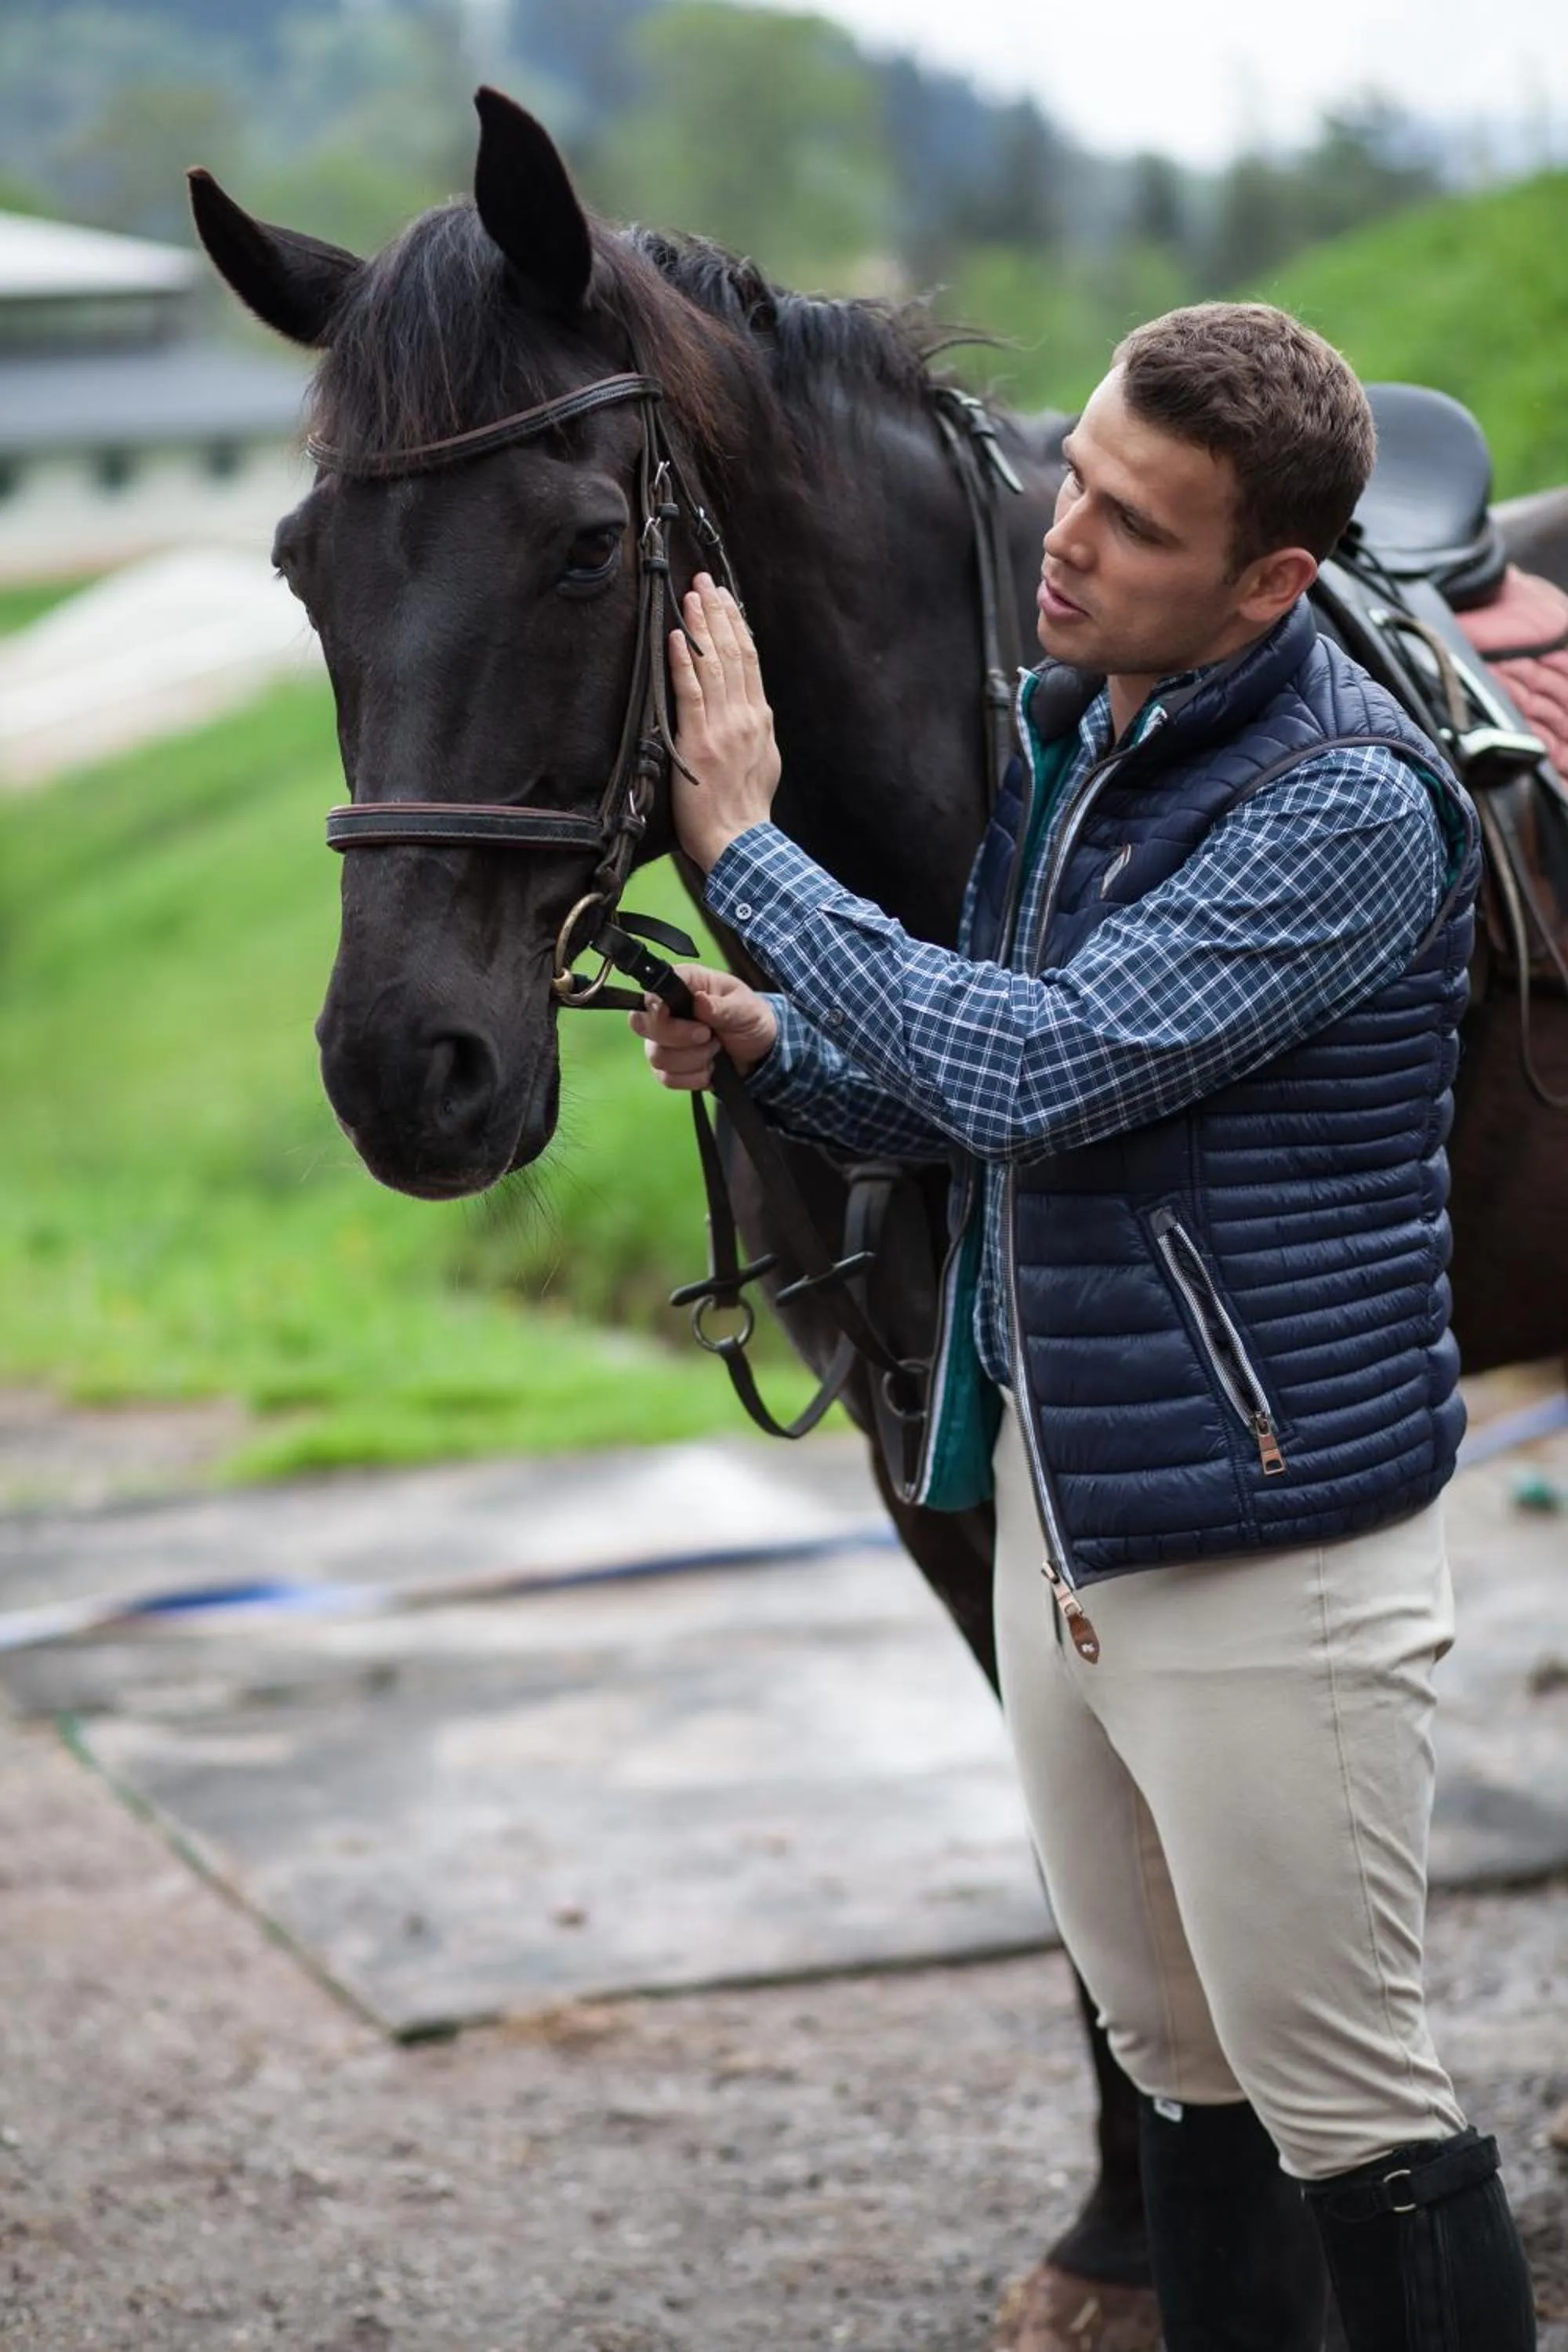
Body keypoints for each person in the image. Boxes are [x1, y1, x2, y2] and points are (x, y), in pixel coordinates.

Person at [628, 303, 1538, 2352]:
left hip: (1269, 1553)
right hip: (1080, 1503)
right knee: (1176, 2059)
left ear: (1270, 582)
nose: (1068, 536)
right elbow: (1010, 1111)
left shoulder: (1344, 804)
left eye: (1138, 523)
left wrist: (748, 854)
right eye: (1079, 480)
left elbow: (1041, 1067)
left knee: (1351, 2100)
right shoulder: (1090, 738)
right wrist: (777, 1050)